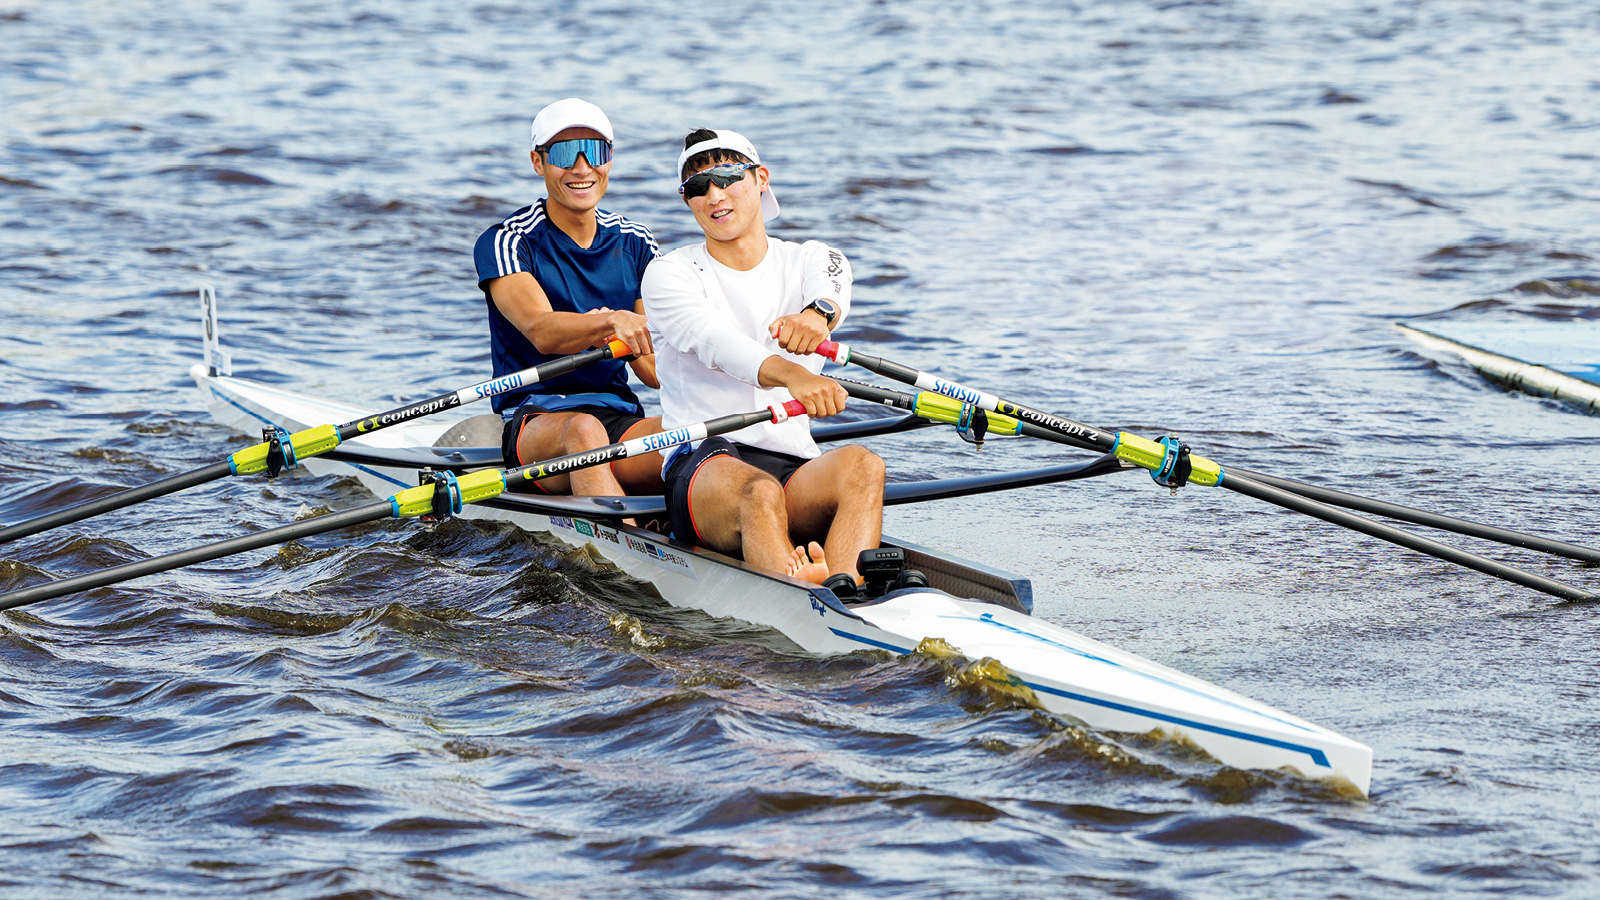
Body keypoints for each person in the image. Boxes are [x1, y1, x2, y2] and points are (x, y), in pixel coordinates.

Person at [641, 128, 886, 599]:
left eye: (728, 177)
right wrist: (794, 374)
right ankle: (804, 601)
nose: (714, 195)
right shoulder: (671, 273)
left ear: (760, 179)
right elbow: (717, 343)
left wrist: (818, 316)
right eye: (697, 187)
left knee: (863, 466)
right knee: (760, 493)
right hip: (703, 460)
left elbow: (834, 284)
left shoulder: (810, 258)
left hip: (793, 467)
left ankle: (843, 590)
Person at [474, 98, 664, 497]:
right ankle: (628, 543)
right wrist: (611, 322)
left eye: (594, 151)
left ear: (609, 159)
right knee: (583, 429)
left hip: (618, 414)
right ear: (538, 162)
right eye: (563, 153)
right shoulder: (507, 241)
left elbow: (654, 373)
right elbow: (542, 331)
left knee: (689, 435)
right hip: (537, 419)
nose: (581, 168)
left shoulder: (636, 242)